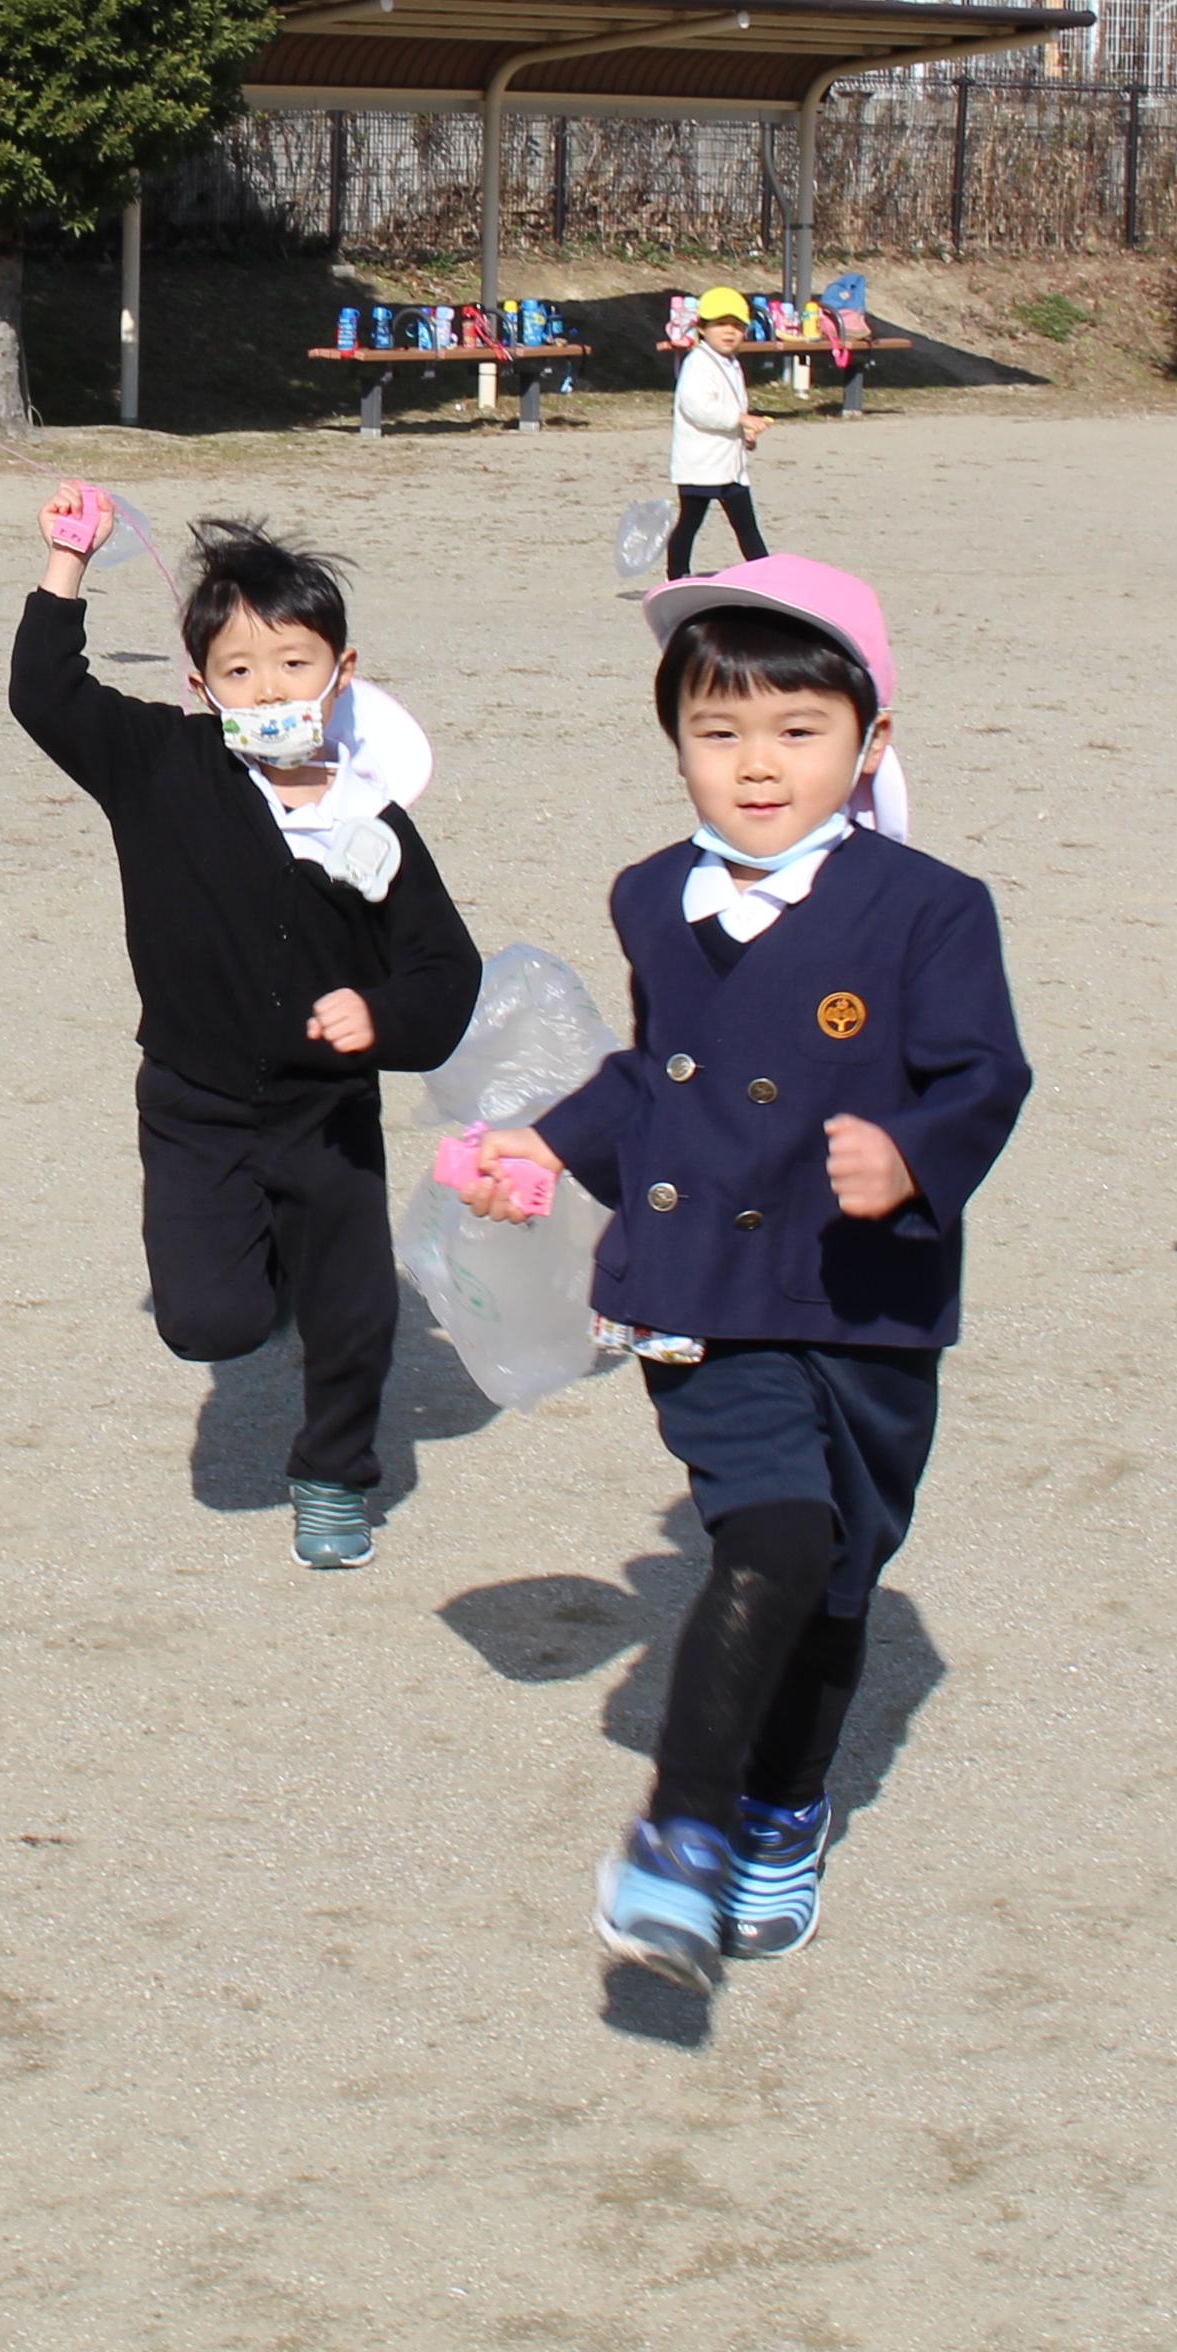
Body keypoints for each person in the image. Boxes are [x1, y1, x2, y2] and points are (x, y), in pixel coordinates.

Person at [453, 552, 1029, 1988]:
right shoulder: (655, 896)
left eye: (797, 731)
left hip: (871, 1298)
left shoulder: (929, 907)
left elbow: (985, 1072)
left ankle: (786, 1799)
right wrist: (548, 1149)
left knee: (838, 1583)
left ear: (869, 741)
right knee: (774, 1540)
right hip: (704, 1286)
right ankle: (685, 1838)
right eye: (718, 734)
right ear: (675, 745)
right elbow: (656, 1074)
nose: (756, 766)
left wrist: (909, 1153)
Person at [14, 497, 484, 1570]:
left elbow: (444, 970)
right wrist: (65, 559)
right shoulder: (159, 767)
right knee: (209, 1324)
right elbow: (45, 696)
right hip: (195, 1103)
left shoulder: (374, 815)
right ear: (199, 685)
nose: (267, 689)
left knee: (356, 1313)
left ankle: (331, 1476)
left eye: (292, 663)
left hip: (327, 1115)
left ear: (342, 670)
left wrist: (384, 1019)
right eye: (237, 670)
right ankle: (252, 1289)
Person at [663, 290, 775, 579]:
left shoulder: (731, 363)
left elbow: (733, 403)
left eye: (737, 326)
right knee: (690, 522)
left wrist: (745, 432)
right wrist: (740, 419)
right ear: (702, 328)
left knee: (746, 524)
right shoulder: (698, 363)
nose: (730, 332)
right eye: (720, 324)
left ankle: (766, 575)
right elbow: (699, 408)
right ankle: (676, 576)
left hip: (728, 463)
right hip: (701, 463)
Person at [813, 272, 879, 419]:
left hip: (834, 331)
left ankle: (852, 405)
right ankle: (852, 407)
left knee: (856, 352)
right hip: (848, 331)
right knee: (858, 349)